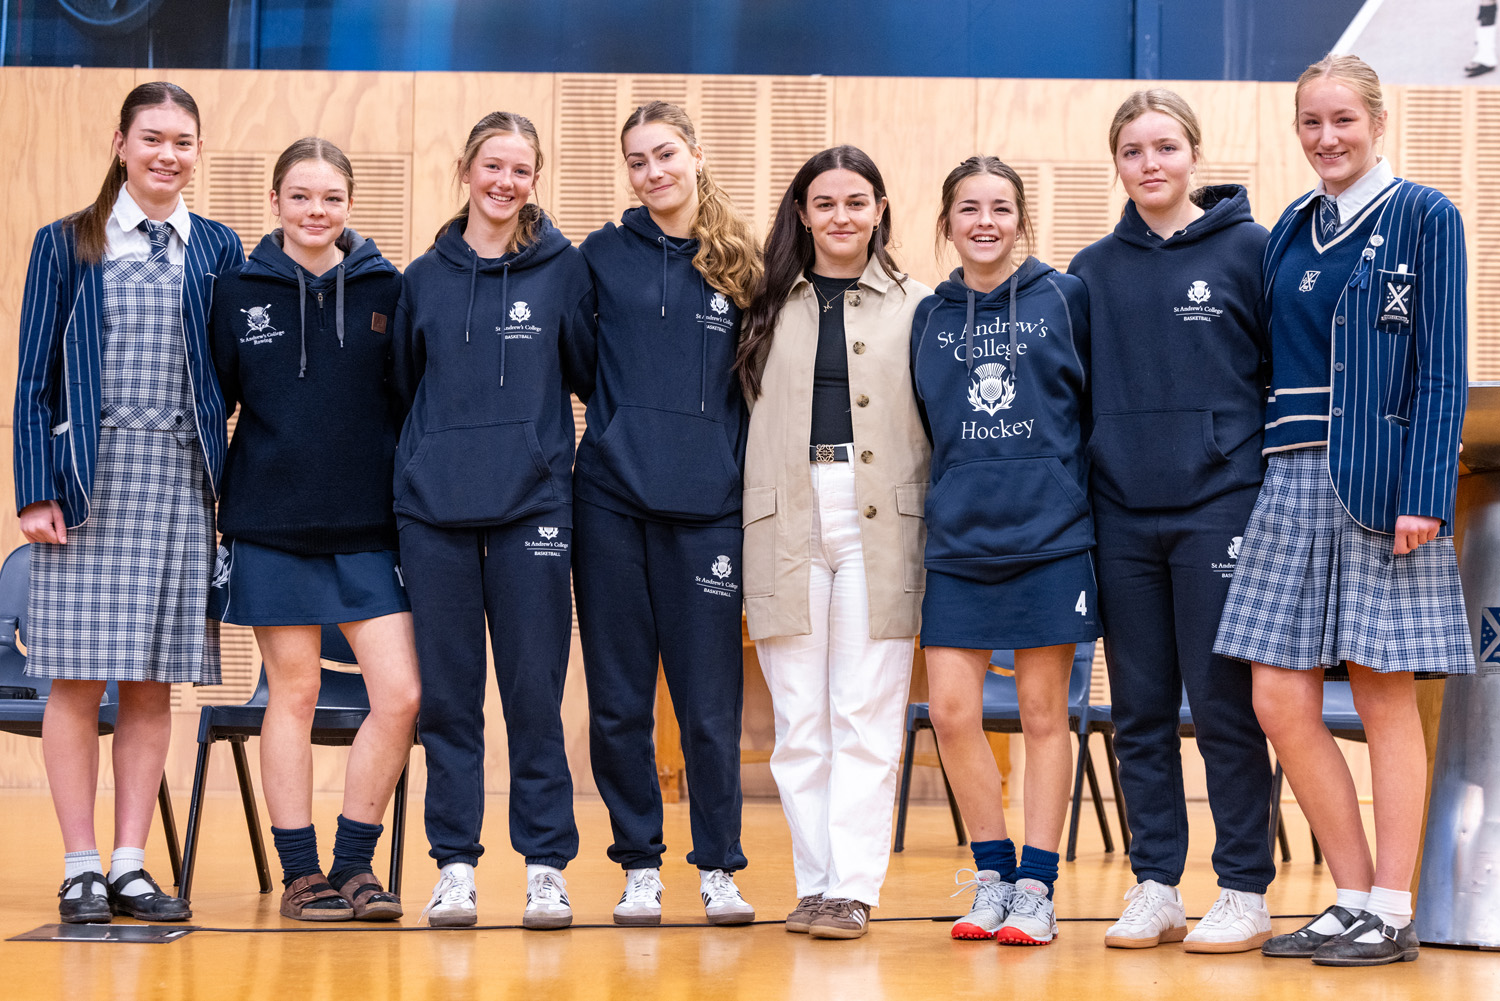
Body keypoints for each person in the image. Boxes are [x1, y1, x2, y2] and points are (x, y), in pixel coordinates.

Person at [1214, 53, 1472, 967]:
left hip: (1381, 483)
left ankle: (1392, 909)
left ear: (1377, 122)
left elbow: (1442, 368)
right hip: (1287, 475)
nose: (1327, 138)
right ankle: (1352, 891)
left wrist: (1424, 494)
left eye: (1342, 121)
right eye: (1311, 123)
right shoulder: (1292, 224)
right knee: (1277, 695)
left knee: (1380, 687)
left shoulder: (1425, 215)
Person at [14, 81, 244, 923]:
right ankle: (78, 866)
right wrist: (35, 488)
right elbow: (33, 378)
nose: (168, 155)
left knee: (153, 683)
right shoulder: (65, 242)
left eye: (183, 141)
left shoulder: (218, 246)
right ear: (120, 143)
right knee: (75, 680)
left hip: (185, 481)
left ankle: (129, 865)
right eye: (152, 138)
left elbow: (239, 373)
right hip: (88, 483)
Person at [1068, 90, 1277, 953]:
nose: (1150, 163)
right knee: (1141, 709)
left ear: (1194, 152)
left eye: (1165, 147)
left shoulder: (1252, 252)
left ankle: (1243, 889)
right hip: (1121, 515)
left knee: (1225, 706)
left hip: (1220, 508)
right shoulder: (1087, 270)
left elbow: (1283, 375)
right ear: (1116, 163)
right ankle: (1156, 883)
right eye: (1132, 151)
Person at [392, 112, 595, 929]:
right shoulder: (421, 277)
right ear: (466, 169)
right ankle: (454, 865)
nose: (505, 183)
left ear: (535, 179)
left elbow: (584, 372)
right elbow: (405, 386)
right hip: (433, 514)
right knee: (448, 699)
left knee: (535, 696)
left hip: (533, 509)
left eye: (520, 169)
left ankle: (546, 863)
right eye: (492, 166)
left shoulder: (564, 272)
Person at [208, 137, 418, 922]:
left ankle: (355, 865)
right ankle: (303, 875)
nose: (315, 211)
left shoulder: (388, 289)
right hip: (271, 524)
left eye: (331, 197)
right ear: (275, 204)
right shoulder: (236, 291)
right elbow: (216, 404)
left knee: (399, 694)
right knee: (291, 693)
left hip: (369, 527)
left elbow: (407, 401)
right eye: (300, 196)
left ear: (350, 206)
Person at [734, 146, 931, 940]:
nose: (841, 216)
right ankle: (813, 882)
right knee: (799, 721)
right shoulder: (763, 302)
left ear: (881, 208)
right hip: (784, 513)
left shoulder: (921, 303)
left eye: (857, 201)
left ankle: (851, 886)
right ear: (803, 213)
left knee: (865, 711)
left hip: (878, 516)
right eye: (825, 203)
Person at [574, 101, 761, 926]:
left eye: (665, 155)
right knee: (618, 701)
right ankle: (639, 864)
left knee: (708, 705)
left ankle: (719, 865)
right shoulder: (600, 259)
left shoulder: (744, 266)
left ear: (694, 153)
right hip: (610, 504)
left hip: (708, 512)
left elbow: (758, 395)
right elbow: (579, 367)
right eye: (638, 161)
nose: (653, 172)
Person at [910, 155, 1098, 946]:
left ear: (1021, 219)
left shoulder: (1065, 297)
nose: (984, 221)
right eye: (967, 207)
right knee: (953, 713)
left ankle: (1039, 886)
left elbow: (1095, 410)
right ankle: (992, 877)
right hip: (958, 540)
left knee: (1042, 713)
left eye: (1000, 207)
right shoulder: (928, 316)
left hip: (1049, 537)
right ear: (947, 221)